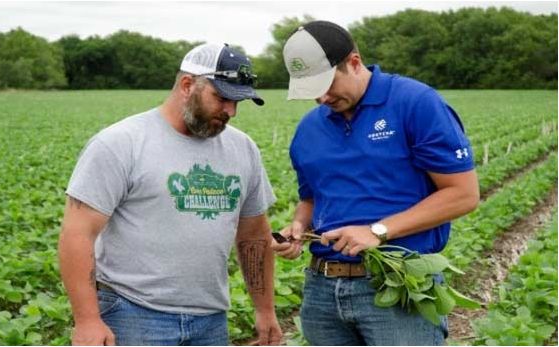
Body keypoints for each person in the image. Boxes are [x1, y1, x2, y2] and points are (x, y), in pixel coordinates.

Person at [58, 43, 282, 346]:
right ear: (187, 86)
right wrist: (87, 320)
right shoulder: (121, 143)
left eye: (237, 101)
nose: (230, 111)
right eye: (222, 98)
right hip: (133, 313)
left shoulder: (242, 148)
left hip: (211, 318)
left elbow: (253, 235)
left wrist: (265, 310)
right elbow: (78, 233)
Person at [271, 21, 479, 345]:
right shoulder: (309, 129)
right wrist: (297, 226)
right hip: (322, 291)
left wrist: (377, 231)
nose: (322, 97)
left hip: (397, 282)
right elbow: (311, 198)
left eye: (327, 84)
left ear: (354, 62)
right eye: (311, 90)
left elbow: (463, 194)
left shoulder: (415, 103)